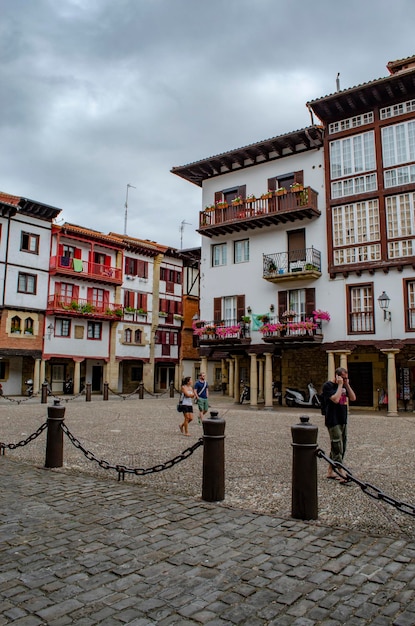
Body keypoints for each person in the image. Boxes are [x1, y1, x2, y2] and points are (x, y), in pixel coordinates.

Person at [322, 367, 356, 484]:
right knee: (337, 445)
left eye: (346, 378)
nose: (345, 379)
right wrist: (340, 386)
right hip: (333, 419)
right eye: (343, 377)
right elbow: (335, 399)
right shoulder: (328, 386)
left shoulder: (344, 385)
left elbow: (353, 398)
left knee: (342, 444)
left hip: (342, 419)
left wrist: (347, 385)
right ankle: (340, 471)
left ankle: (330, 471)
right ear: (337, 376)